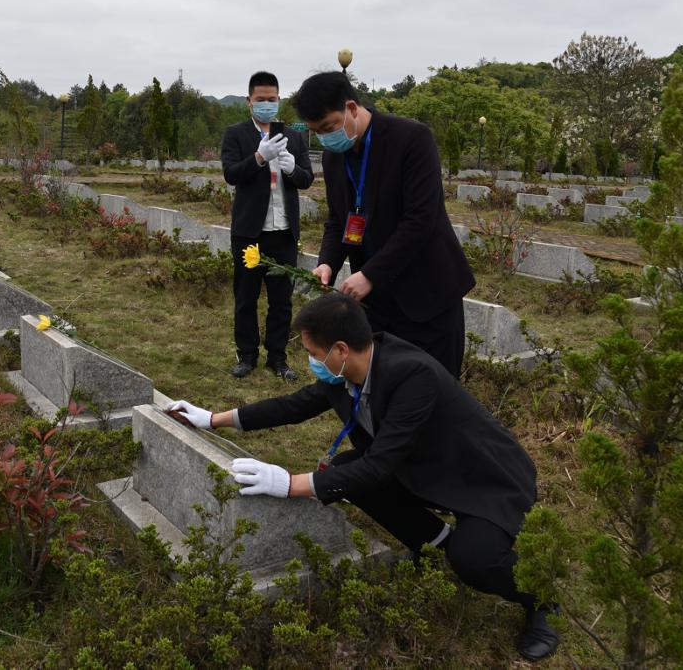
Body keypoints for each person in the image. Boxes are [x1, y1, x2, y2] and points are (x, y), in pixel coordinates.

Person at [168, 294, 560, 661]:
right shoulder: (345, 375)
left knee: (473, 559)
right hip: (423, 468)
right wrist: (213, 419)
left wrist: (291, 484)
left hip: (484, 480)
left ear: (340, 349)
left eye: (313, 354)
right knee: (344, 472)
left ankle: (541, 601)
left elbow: (379, 467)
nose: (312, 362)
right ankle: (433, 544)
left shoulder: (411, 374)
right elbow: (293, 406)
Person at [290, 71, 474, 378]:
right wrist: (327, 264)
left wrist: (371, 275)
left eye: (328, 127)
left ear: (351, 108)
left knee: (435, 388)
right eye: (316, 132)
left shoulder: (411, 138)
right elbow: (338, 220)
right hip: (376, 302)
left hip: (427, 293)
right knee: (384, 389)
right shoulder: (335, 158)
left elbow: (420, 219)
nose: (325, 137)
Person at [221, 71, 315, 380]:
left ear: (279, 100)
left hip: (284, 231)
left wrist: (292, 168)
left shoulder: (294, 136)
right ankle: (246, 356)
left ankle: (278, 357)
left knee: (281, 299)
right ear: (249, 101)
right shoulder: (236, 134)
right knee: (246, 296)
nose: (266, 105)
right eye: (260, 100)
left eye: (271, 100)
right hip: (250, 230)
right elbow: (232, 174)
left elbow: (306, 179)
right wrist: (260, 158)